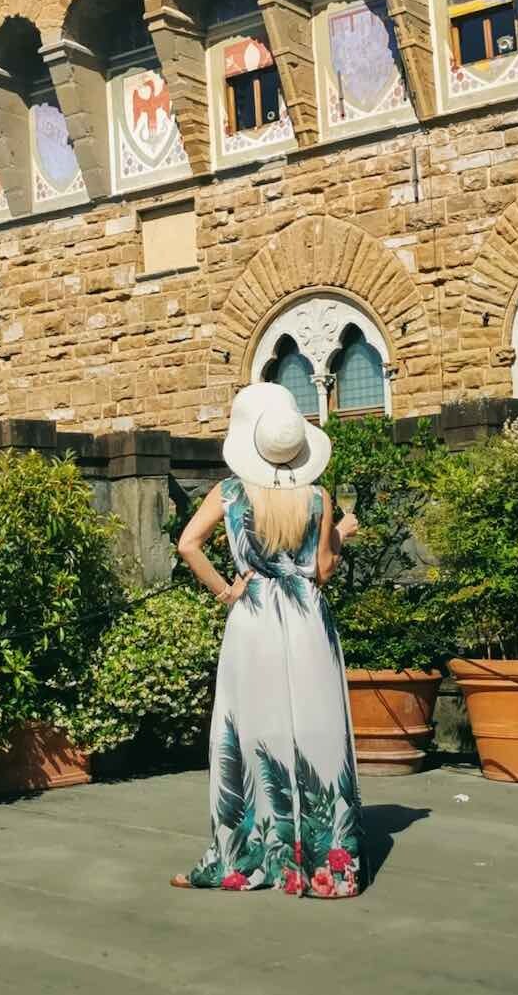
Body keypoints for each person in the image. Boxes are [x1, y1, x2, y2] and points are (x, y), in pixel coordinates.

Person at [171, 380, 368, 897]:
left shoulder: (230, 493)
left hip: (254, 616)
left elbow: (188, 544)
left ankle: (247, 855)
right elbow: (323, 571)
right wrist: (339, 537)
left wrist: (226, 590)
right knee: (315, 724)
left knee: (250, 729)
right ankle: (326, 861)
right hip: (305, 616)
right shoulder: (319, 497)